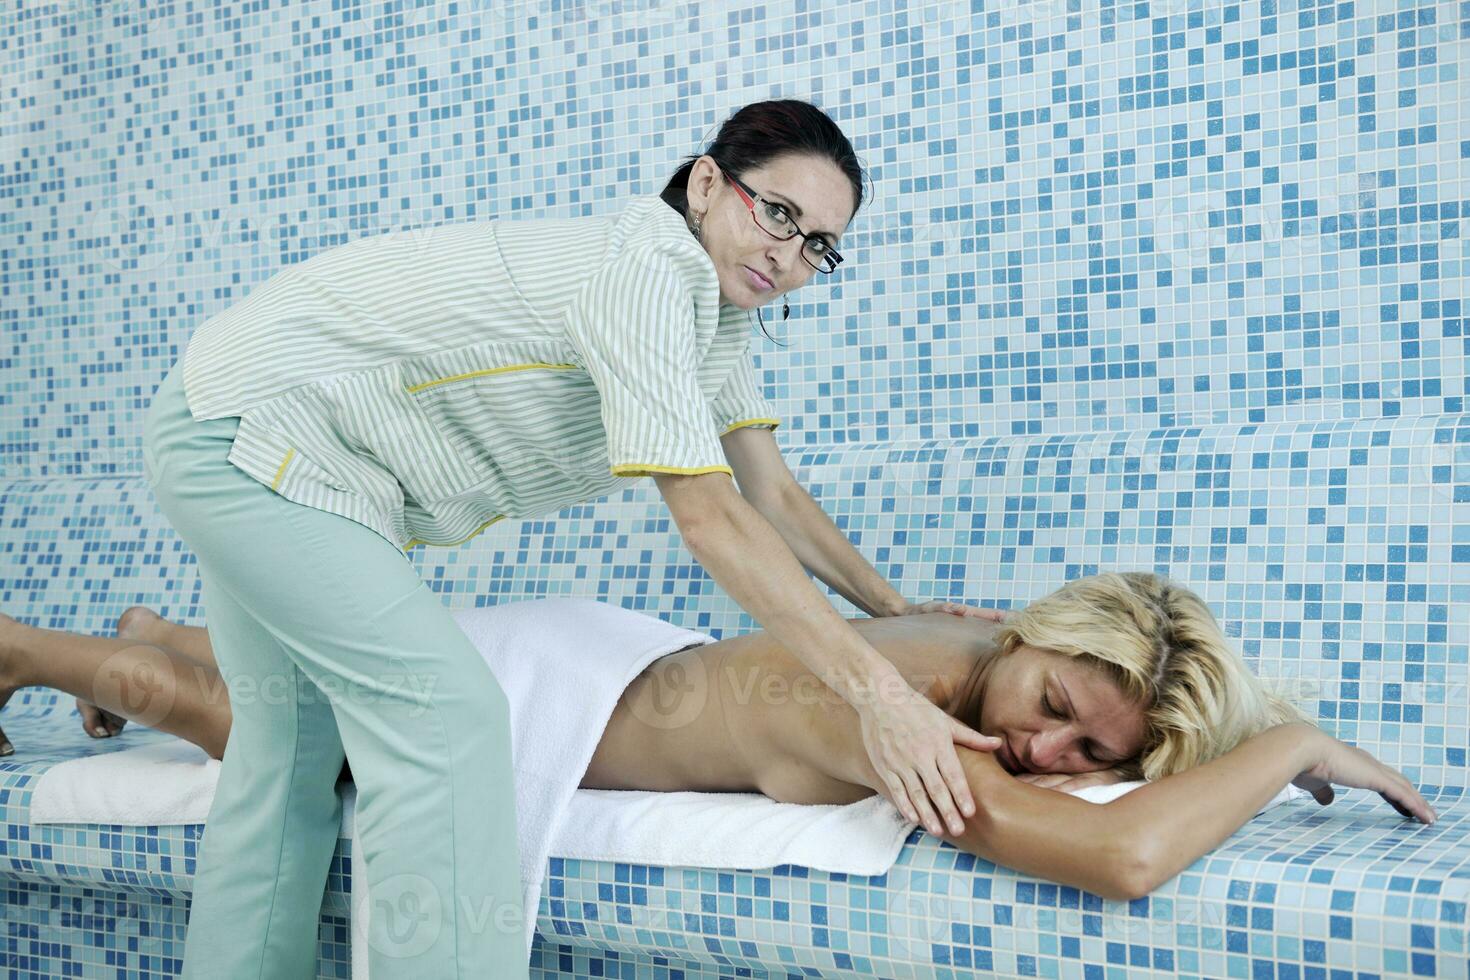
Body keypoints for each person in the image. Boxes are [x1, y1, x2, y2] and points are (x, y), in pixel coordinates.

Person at [127, 98, 1012, 978]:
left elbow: (771, 492)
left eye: (819, 244)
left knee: (286, 762)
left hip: (261, 440)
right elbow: (707, 515)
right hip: (255, 437)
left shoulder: (715, 319)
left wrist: (896, 611)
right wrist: (881, 698)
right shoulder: (648, 270)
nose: (790, 255)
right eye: (778, 213)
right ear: (707, 183)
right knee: (444, 719)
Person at [0, 571, 1435, 903]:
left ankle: (161, 634)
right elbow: (1121, 867)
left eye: (1087, 754)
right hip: (538, 698)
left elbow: (1086, 758)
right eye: (1056, 715)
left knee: (301, 678)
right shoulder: (893, 727)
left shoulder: (975, 642)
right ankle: (36, 646)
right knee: (258, 735)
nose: (1052, 757)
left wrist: (1092, 736)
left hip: (601, 652)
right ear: (1040, 637)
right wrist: (1295, 741)